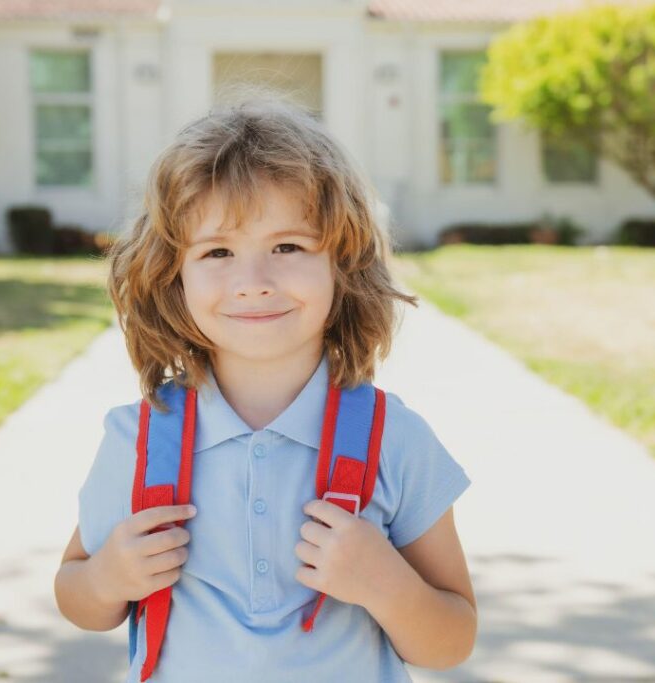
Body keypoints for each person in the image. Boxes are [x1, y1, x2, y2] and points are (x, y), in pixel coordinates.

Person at [54, 91, 476, 682]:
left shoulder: (393, 440)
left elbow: (452, 640)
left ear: (343, 264)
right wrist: (106, 579)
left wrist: (386, 584)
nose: (253, 281)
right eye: (218, 251)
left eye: (287, 246)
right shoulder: (140, 440)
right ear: (174, 277)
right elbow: (75, 591)